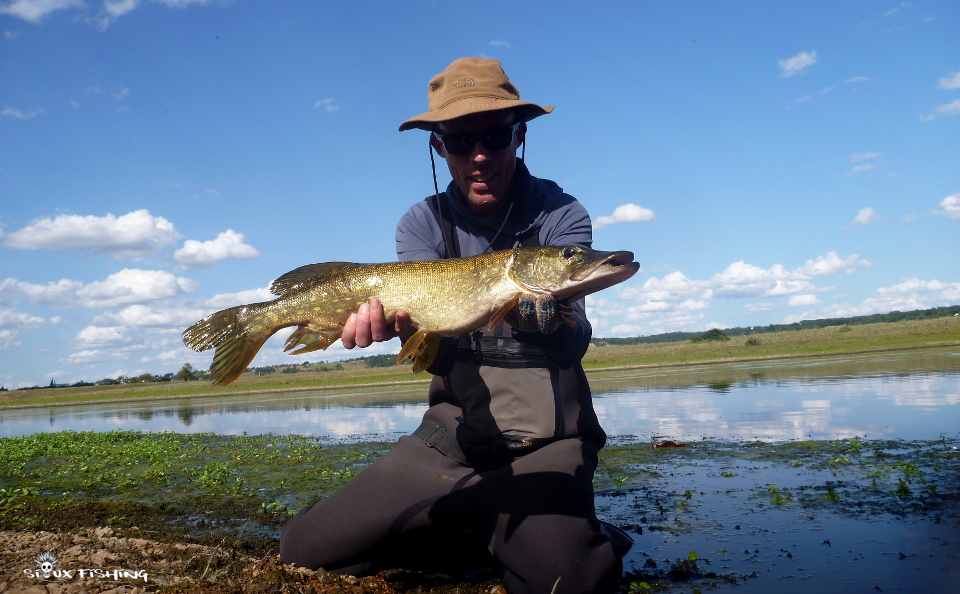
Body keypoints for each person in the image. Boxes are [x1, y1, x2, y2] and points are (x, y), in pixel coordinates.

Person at [279, 57, 628, 594]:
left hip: (546, 444)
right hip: (452, 438)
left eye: (495, 135)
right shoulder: (420, 223)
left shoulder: (560, 215)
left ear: (519, 135)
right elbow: (434, 353)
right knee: (304, 550)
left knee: (574, 582)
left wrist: (546, 318)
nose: (481, 155)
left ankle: (548, 529)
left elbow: (572, 343)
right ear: (438, 147)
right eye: (461, 142)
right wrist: (387, 329)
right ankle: (489, 523)